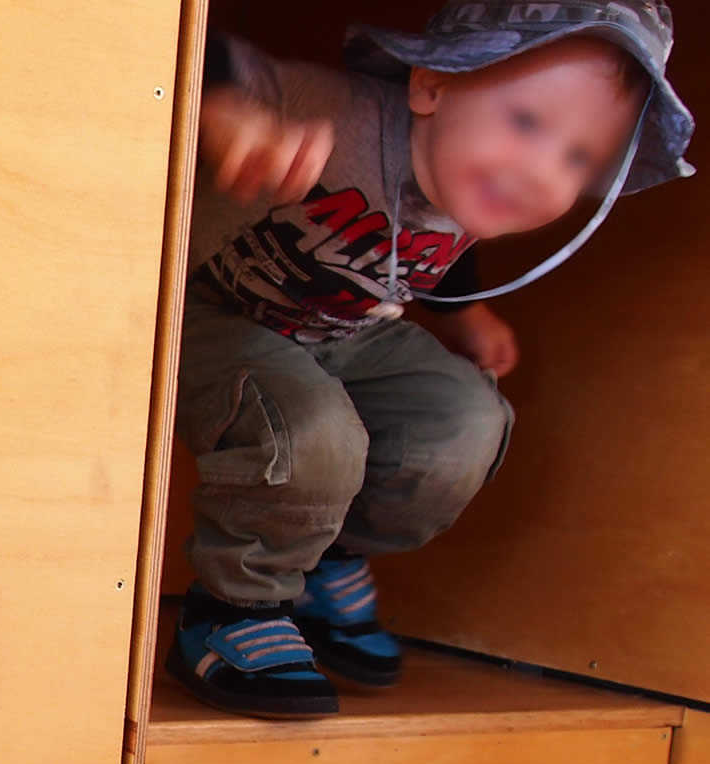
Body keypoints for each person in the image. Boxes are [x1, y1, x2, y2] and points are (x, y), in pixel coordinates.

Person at [172, 2, 694, 717]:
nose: (543, 171)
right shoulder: (335, 113)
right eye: (528, 123)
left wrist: (470, 315)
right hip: (213, 307)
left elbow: (440, 251)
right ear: (433, 85)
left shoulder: (468, 175)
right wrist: (226, 113)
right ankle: (234, 608)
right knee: (314, 433)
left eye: (579, 158)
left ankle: (315, 556)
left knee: (463, 424)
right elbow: (190, 53)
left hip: (343, 329)